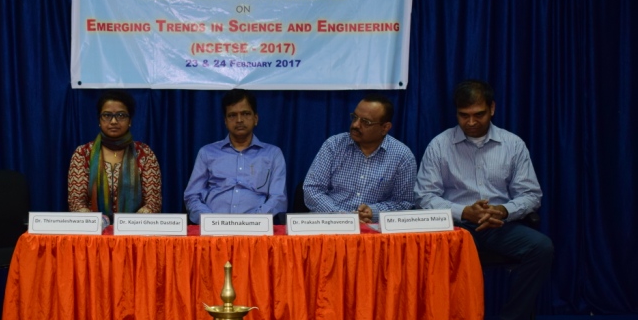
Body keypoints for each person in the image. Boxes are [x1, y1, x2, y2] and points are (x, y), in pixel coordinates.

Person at [415, 80, 553, 320]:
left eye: (478, 114)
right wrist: (464, 212)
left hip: (499, 225)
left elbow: (531, 195)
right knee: (433, 253)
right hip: (454, 227)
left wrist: (503, 211)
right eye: (463, 115)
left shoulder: (512, 144)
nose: (471, 122)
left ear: (492, 109)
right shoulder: (440, 145)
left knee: (541, 248)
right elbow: (423, 197)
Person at [302, 95, 416, 223]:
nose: (355, 125)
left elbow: (404, 203)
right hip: (330, 223)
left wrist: (374, 212)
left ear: (385, 127)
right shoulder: (334, 145)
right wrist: (343, 218)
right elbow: (312, 190)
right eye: (355, 117)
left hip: (374, 227)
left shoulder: (402, 156)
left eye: (366, 122)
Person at [183, 89, 287, 224]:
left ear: (255, 119)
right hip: (213, 229)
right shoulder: (207, 153)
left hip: (256, 229)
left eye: (245, 114)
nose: (239, 120)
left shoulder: (273, 154)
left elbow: (278, 199)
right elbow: (192, 196)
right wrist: (211, 221)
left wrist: (253, 222)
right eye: (232, 115)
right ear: (225, 121)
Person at [68, 90, 161, 220]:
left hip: (134, 228)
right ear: (99, 120)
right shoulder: (83, 153)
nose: (113, 121)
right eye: (107, 115)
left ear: (130, 121)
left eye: (121, 115)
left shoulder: (144, 153)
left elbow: (153, 202)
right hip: (93, 228)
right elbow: (76, 202)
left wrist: (128, 224)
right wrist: (100, 223)